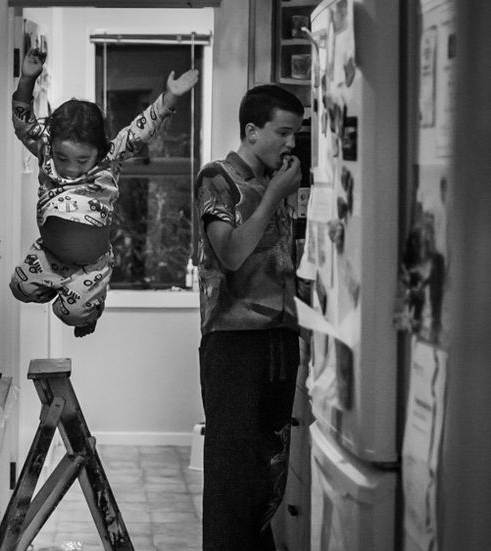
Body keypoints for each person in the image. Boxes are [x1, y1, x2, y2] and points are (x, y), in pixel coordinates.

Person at [9, 48, 199, 337]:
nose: (70, 168)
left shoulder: (110, 158)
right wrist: (26, 80)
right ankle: (57, 288)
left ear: (99, 150)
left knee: (72, 314)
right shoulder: (45, 150)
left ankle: (88, 309)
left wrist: (169, 98)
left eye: (82, 160)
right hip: (49, 253)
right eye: (62, 158)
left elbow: (140, 130)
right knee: (19, 288)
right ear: (52, 147)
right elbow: (24, 125)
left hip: (91, 265)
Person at [194, 83, 305, 550]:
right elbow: (232, 254)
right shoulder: (217, 177)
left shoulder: (275, 183)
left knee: (267, 475)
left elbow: (281, 266)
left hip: (280, 340)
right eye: (283, 132)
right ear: (252, 130)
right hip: (233, 343)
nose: (291, 143)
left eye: (296, 134)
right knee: (231, 479)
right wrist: (274, 195)